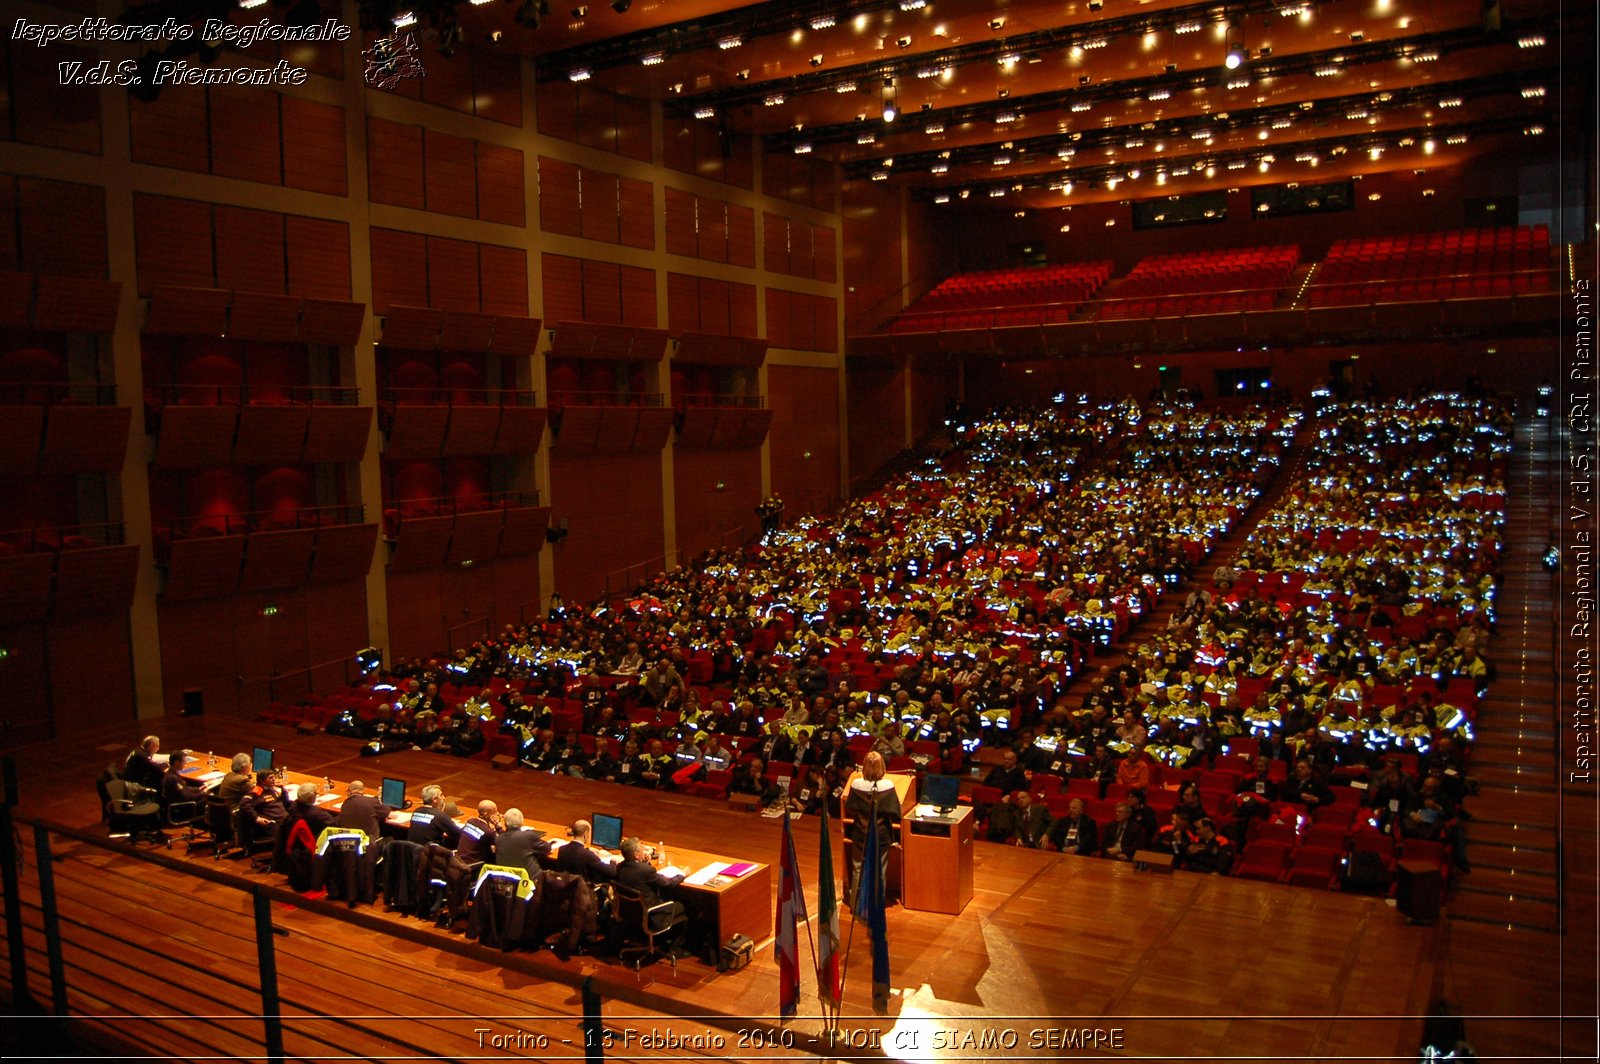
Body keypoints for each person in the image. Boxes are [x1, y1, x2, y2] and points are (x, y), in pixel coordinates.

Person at [844, 751, 900, 905]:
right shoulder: (888, 786)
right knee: (879, 871)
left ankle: (856, 904)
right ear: (882, 766)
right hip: (881, 834)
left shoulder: (856, 784)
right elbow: (895, 812)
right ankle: (876, 906)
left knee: (858, 869)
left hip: (860, 833)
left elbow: (849, 807)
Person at [615, 836, 687, 943]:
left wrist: (644, 862)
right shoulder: (646, 871)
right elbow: (668, 884)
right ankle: (674, 946)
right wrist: (683, 873)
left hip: (629, 912)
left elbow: (639, 876)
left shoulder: (620, 867)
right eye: (642, 850)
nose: (644, 852)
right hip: (651, 915)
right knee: (683, 905)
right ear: (636, 855)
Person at [495, 808, 549, 873]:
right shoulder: (528, 836)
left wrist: (499, 828)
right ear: (521, 822)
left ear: (505, 823)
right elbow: (547, 848)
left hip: (508, 880)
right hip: (530, 880)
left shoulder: (498, 839)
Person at [456, 800, 501, 866]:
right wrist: (498, 826)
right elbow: (504, 842)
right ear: (486, 814)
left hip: (457, 862)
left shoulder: (470, 821)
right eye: (495, 812)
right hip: (471, 867)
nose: (498, 814)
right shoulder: (488, 832)